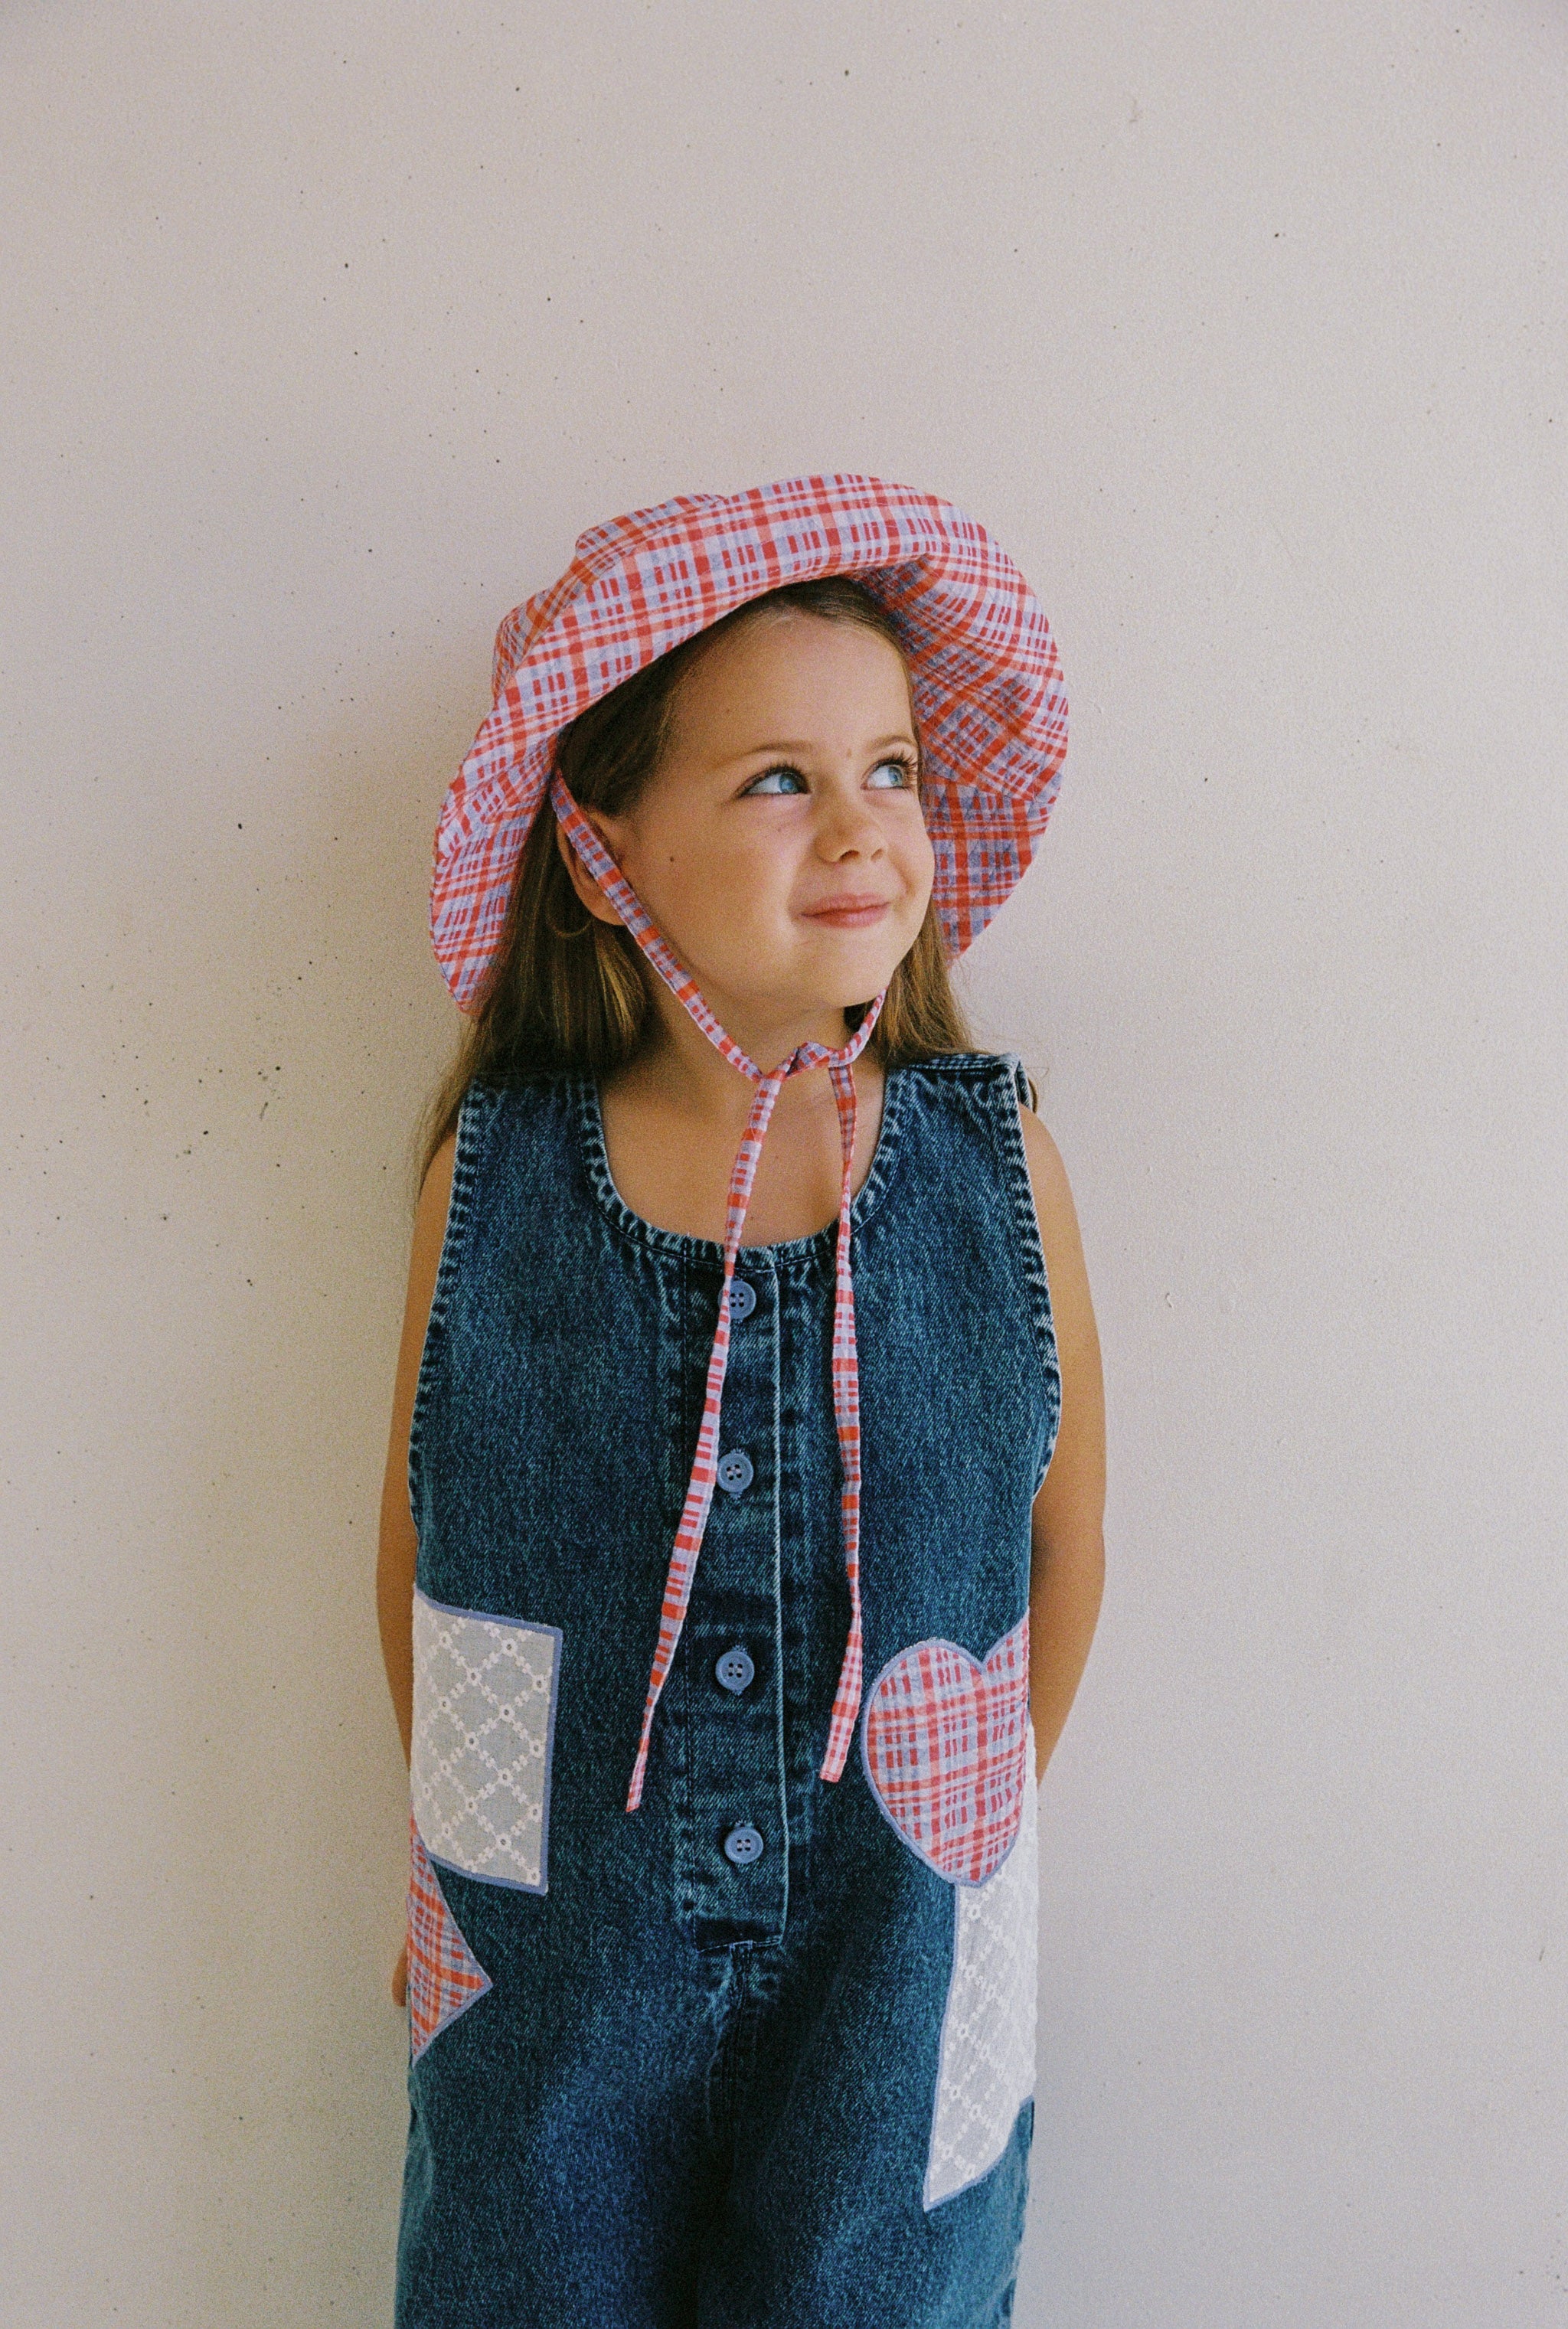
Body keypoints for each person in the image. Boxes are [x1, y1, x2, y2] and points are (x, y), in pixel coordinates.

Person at [376, 475, 1106, 2327]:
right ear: (600, 836)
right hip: (554, 1960)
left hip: (902, 1954)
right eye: (778, 779)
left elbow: (1061, 1531)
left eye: (890, 771)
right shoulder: (503, 1169)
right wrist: (460, 1883)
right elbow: (421, 1538)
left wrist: (971, 1866)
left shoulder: (985, 1156)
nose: (861, 826)